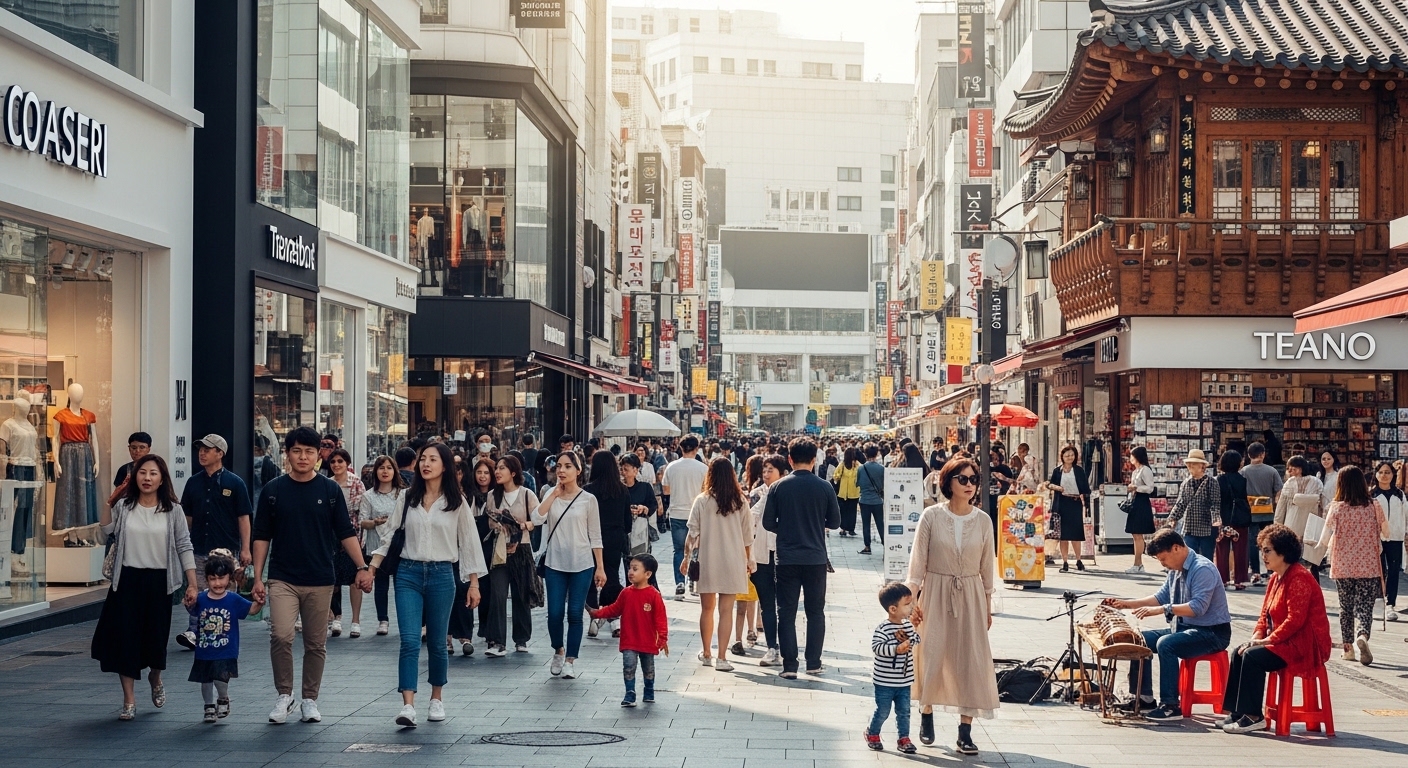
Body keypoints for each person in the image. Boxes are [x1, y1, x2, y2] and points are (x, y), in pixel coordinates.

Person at [251, 426, 373, 726]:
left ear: (319, 455)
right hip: (282, 577)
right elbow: (262, 536)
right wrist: (256, 577)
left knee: (316, 643)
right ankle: (284, 694)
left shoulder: (329, 490)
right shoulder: (273, 490)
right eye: (296, 451)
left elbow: (345, 531)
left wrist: (361, 567)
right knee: (280, 634)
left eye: (309, 451)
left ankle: (309, 699)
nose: (303, 457)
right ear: (287, 454)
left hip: (320, 577)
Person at [369, 442, 487, 727]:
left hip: (441, 574)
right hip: (408, 573)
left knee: (436, 641)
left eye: (433, 459)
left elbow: (469, 543)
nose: (425, 464)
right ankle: (408, 705)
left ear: (444, 466)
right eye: (423, 459)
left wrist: (473, 584)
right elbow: (390, 537)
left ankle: (436, 698)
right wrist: (371, 569)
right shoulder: (407, 497)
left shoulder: (456, 501)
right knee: (409, 640)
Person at [90, 454, 198, 721]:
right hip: (126, 581)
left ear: (162, 478)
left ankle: (155, 676)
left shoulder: (173, 510)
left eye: (153, 473)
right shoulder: (125, 507)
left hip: (159, 583)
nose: (147, 478)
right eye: (142, 473)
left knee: (155, 639)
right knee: (125, 640)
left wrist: (192, 583)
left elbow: (184, 545)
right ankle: (129, 700)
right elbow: (106, 530)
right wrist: (109, 501)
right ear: (135, 476)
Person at [906, 457, 997, 754]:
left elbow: (987, 568)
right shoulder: (931, 516)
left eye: (973, 479)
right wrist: (912, 600)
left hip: (970, 593)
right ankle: (927, 710)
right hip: (935, 590)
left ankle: (965, 730)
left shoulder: (983, 520)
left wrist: (987, 604)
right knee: (932, 652)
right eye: (963, 479)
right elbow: (917, 564)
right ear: (948, 482)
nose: (969, 485)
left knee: (971, 659)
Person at [1102, 528, 1233, 722]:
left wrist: (1164, 610)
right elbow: (1161, 596)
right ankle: (1144, 697)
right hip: (1185, 628)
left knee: (1166, 644)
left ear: (1176, 548)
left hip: (1212, 633)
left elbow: (1198, 608)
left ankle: (1171, 705)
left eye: (1163, 559)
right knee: (1140, 640)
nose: (1163, 564)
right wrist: (1127, 603)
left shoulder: (1202, 569)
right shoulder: (1175, 569)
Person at [1218, 524, 1331, 734]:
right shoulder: (1274, 578)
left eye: (1267, 550)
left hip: (1303, 645)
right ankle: (1237, 711)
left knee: (1252, 656)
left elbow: (1295, 620)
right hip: (1282, 641)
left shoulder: (1300, 578)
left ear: (1283, 552)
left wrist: (1266, 641)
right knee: (1241, 651)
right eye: (1262, 550)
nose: (1263, 555)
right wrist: (1256, 636)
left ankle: (1253, 716)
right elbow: (1264, 616)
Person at [762, 438, 840, 679]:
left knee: (785, 611)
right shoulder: (824, 487)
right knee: (815, 611)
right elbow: (836, 522)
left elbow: (767, 522)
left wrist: (785, 529)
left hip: (786, 557)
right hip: (815, 557)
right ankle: (814, 663)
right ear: (814, 460)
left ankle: (789, 666)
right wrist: (817, 525)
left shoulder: (778, 487)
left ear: (790, 459)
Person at [532, 451, 606, 680]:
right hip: (555, 563)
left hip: (582, 564)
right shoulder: (549, 494)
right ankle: (558, 650)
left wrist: (600, 567)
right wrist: (553, 495)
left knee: (575, 613)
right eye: (559, 466)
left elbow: (595, 535)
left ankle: (571, 660)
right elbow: (536, 519)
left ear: (578, 470)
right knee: (554, 614)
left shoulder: (588, 499)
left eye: (567, 466)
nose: (561, 470)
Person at [176, 434, 253, 651]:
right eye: (200, 449)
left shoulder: (235, 483)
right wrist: (181, 544)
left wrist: (246, 549)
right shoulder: (193, 483)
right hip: (198, 547)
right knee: (199, 589)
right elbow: (187, 518)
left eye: (208, 449)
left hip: (226, 550)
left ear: (220, 453)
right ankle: (194, 630)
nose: (202, 453)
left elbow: (243, 518)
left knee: (224, 591)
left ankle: (223, 630)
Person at [683, 457, 754, 672]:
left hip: (708, 560)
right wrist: (749, 560)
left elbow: (691, 534)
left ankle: (707, 653)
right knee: (726, 611)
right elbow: (747, 536)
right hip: (733, 561)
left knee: (707, 609)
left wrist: (686, 558)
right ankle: (722, 658)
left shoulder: (702, 500)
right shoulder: (740, 501)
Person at [1320, 464, 1388, 665]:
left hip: (1342, 565)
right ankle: (1363, 635)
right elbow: (1387, 533)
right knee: (1365, 606)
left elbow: (1324, 538)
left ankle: (1348, 649)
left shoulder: (1336, 507)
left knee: (1345, 608)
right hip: (1368, 564)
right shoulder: (1374, 505)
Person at [187, 550, 261, 723]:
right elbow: (193, 610)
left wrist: (259, 603)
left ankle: (223, 697)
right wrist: (189, 604)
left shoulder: (233, 599)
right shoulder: (202, 598)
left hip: (225, 649)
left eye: (221, 578)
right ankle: (208, 706)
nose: (217, 583)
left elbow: (250, 610)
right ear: (206, 579)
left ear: (229, 579)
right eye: (213, 579)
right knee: (205, 681)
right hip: (204, 649)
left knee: (221, 678)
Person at [589, 553, 669, 707]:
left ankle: (649, 689)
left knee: (648, 668)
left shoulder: (654, 595)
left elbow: (661, 619)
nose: (630, 572)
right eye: (630, 568)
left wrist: (662, 638)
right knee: (628, 666)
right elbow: (614, 609)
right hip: (629, 639)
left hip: (647, 640)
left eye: (635, 569)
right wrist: (597, 613)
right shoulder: (626, 593)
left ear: (647, 574)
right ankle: (630, 693)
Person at [482, 455, 540, 655]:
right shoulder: (492, 495)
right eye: (496, 468)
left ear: (513, 472)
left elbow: (539, 519)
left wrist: (523, 526)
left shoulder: (527, 495)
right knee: (497, 594)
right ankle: (498, 641)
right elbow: (489, 522)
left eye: (502, 468)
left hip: (521, 549)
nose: (497, 471)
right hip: (499, 549)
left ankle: (521, 639)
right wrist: (500, 525)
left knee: (520, 594)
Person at [865, 581, 919, 754]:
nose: (911, 607)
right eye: (907, 604)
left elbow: (917, 640)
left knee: (904, 712)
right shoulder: (883, 628)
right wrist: (896, 649)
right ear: (893, 609)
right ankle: (872, 733)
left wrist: (913, 633)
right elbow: (877, 648)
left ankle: (904, 738)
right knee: (883, 710)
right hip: (884, 681)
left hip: (904, 680)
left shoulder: (908, 625)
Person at [450, 457, 494, 657]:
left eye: (460, 472)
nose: (457, 476)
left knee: (464, 590)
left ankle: (465, 635)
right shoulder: (441, 494)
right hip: (445, 550)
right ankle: (446, 636)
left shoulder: (471, 496)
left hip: (465, 549)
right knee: (446, 593)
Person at [585, 450, 632, 638]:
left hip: (591, 540)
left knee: (591, 578)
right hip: (615, 540)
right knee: (611, 578)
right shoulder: (622, 490)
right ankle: (615, 621)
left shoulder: (588, 491)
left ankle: (595, 616)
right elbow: (627, 522)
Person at [749, 454, 789, 667]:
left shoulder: (789, 492)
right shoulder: (760, 494)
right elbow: (751, 517)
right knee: (767, 604)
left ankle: (783, 648)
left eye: (770, 470)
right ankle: (773, 647)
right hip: (763, 554)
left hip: (784, 553)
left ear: (782, 473)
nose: (765, 474)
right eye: (764, 470)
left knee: (784, 605)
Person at [359, 455, 405, 636]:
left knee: (402, 585)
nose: (385, 471)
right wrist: (375, 522)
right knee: (381, 585)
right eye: (381, 468)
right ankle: (383, 619)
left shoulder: (402, 493)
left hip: (398, 545)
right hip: (376, 544)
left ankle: (405, 619)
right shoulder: (368, 496)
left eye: (389, 468)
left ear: (395, 471)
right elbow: (362, 521)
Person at [325, 448, 366, 638]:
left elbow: (360, 511)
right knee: (333, 580)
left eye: (340, 461)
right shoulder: (327, 483)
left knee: (353, 580)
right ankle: (336, 617)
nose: (336, 465)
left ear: (347, 463)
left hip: (353, 536)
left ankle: (355, 620)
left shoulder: (356, 483)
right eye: (333, 462)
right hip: (330, 537)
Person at [662, 435, 708, 599]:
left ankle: (679, 582)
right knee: (697, 550)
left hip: (676, 513)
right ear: (697, 449)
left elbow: (666, 491)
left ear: (681, 448)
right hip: (698, 513)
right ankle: (694, 582)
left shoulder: (671, 467)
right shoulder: (703, 469)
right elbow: (707, 491)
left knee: (679, 550)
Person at [1163, 449, 1221, 561]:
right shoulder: (1186, 482)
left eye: (1193, 464)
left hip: (1206, 527)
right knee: (1189, 558)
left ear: (1202, 466)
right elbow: (1181, 503)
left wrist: (1215, 519)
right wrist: (1173, 518)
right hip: (1189, 526)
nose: (1190, 467)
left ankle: (1205, 578)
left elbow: (1215, 504)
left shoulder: (1211, 482)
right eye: (1189, 464)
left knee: (1206, 559)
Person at [1240, 442, 1283, 586]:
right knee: (1270, 541)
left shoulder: (1244, 472)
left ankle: (1256, 572)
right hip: (1268, 511)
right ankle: (1272, 571)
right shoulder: (1271, 471)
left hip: (1251, 511)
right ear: (1263, 454)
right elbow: (1279, 491)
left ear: (1248, 455)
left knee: (1252, 542)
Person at [1045, 445, 1091, 572]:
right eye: (1067, 456)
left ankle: (1078, 560)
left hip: (1075, 502)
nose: (1070, 457)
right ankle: (1065, 561)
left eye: (1072, 455)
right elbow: (1050, 484)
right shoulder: (1057, 470)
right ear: (1062, 457)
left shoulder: (1079, 470)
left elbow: (1086, 488)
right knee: (1063, 535)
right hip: (1061, 503)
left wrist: (1086, 504)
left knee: (1076, 534)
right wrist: (1056, 487)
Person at [1372, 462, 1405, 622]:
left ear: (1393, 475)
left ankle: (1391, 603)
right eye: (1381, 472)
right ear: (1376, 474)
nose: (1384, 475)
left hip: (1395, 538)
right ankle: (1379, 602)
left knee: (1393, 570)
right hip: (1375, 538)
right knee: (1378, 570)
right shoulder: (1371, 494)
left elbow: (1405, 514)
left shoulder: (1399, 494)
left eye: (1388, 472)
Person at [1215, 450, 1253, 589]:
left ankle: (1222, 579)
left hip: (1223, 519)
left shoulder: (1219, 479)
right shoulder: (1242, 479)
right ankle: (1240, 579)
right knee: (1241, 550)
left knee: (1221, 550)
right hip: (1239, 518)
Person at [1125, 446, 1156, 574]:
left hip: (1142, 502)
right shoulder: (1135, 471)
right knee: (1135, 534)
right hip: (1135, 502)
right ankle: (1137, 563)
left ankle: (1138, 563)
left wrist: (1136, 487)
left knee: (1138, 534)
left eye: (1132, 455)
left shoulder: (1145, 470)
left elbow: (1150, 488)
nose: (1131, 458)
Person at [856, 444, 886, 555]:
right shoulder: (882, 469)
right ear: (877, 454)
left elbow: (858, 483)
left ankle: (867, 546)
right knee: (880, 523)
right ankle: (885, 544)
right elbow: (884, 484)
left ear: (865, 454)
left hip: (864, 500)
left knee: (866, 524)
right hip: (878, 500)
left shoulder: (861, 468)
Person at [111, 430, 152, 494]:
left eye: (142, 447)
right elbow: (118, 493)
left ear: (148, 449)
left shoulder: (156, 468)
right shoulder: (124, 469)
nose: (137, 451)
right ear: (129, 449)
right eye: (134, 447)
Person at [833, 447, 861, 538]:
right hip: (851, 492)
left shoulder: (846, 464)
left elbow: (835, 476)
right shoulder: (855, 465)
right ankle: (848, 529)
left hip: (846, 492)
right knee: (849, 511)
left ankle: (846, 529)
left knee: (846, 511)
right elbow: (836, 475)